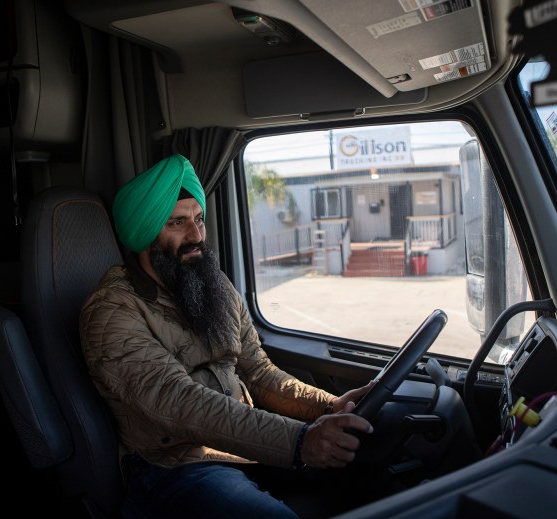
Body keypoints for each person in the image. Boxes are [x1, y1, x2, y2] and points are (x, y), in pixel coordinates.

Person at [80, 154, 378, 518]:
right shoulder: (112, 310)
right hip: (176, 468)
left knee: (373, 470)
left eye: (198, 219)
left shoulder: (212, 284)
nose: (196, 236)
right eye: (177, 222)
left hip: (242, 447)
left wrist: (329, 406)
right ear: (145, 233)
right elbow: (180, 403)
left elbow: (259, 373)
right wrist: (299, 441)